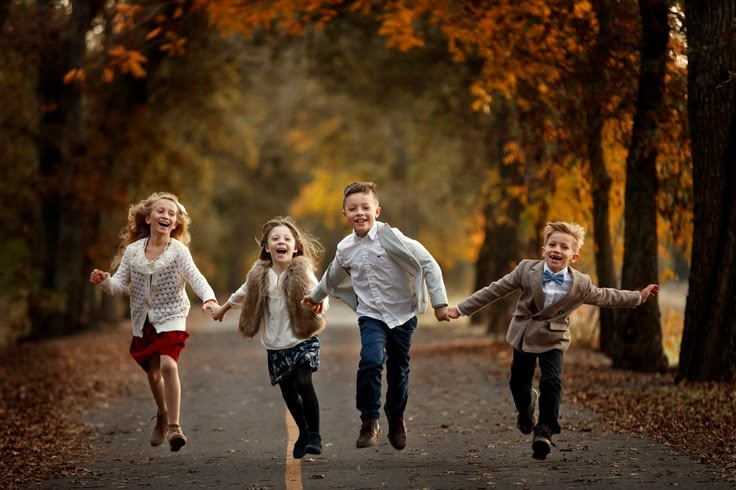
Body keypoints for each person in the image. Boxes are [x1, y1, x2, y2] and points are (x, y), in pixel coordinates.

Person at [447, 221, 659, 460]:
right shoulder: (526, 270)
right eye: (552, 244)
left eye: (564, 247)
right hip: (525, 334)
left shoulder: (581, 284)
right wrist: (461, 309)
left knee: (552, 381)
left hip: (554, 336)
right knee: (518, 383)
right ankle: (526, 408)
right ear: (543, 249)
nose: (557, 250)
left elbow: (606, 296)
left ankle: (545, 431)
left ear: (574, 256)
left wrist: (637, 298)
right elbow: (495, 290)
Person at [302, 181, 451, 451]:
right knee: (370, 361)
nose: (360, 213)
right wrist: (315, 296)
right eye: (352, 208)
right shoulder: (345, 248)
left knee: (398, 370)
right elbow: (332, 275)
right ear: (344, 214)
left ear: (377, 211)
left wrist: (439, 303)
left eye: (365, 207)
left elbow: (428, 262)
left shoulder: (392, 238)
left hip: (402, 315)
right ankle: (369, 419)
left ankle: (395, 415)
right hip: (371, 315)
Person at [89, 191, 218, 452]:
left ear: (176, 223)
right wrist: (104, 280)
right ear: (148, 218)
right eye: (161, 211)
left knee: (168, 366)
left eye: (172, 214)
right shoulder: (133, 252)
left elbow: (196, 278)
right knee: (153, 372)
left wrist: (209, 299)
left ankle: (174, 426)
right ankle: (161, 413)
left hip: (171, 316)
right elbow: (117, 286)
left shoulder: (178, 251)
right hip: (143, 320)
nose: (166, 216)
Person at [211, 216, 328, 459]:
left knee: (304, 382)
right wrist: (222, 309)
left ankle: (315, 435)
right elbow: (241, 293)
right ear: (267, 247)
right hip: (276, 344)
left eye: (287, 238)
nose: (281, 242)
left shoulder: (302, 271)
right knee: (288, 392)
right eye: (275, 239)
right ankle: (303, 432)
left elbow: (320, 291)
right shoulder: (259, 275)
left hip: (302, 337)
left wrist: (319, 305)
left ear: (295, 247)